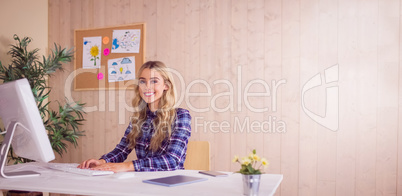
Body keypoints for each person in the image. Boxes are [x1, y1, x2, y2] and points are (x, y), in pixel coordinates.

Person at [78, 61, 191, 172]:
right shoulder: (138, 119)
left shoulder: (181, 116)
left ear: (166, 85)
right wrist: (103, 161)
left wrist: (128, 166)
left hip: (171, 183)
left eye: (154, 81)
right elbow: (121, 150)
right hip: (143, 181)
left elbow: (172, 160)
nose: (147, 86)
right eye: (142, 81)